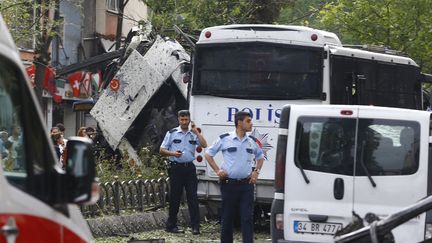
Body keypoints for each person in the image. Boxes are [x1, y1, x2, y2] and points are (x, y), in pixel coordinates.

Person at [204, 111, 264, 243]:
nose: (251, 123)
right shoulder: (225, 138)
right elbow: (208, 154)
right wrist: (218, 170)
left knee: (247, 218)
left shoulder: (252, 141)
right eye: (248, 121)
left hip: (246, 185)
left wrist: (256, 172)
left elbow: (260, 157)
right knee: (227, 218)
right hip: (229, 185)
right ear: (239, 123)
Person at [159, 110, 208, 235]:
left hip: (189, 168)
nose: (184, 122)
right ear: (179, 119)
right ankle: (171, 225)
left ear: (189, 120)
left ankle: (195, 226)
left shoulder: (193, 134)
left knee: (193, 197)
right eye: (182, 120)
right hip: (176, 168)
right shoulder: (172, 133)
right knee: (175, 197)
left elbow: (204, 144)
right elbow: (162, 150)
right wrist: (173, 154)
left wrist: (196, 131)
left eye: (186, 120)